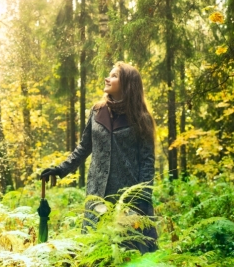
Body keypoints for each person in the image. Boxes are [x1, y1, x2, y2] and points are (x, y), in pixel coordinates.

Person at [40, 61, 158, 253]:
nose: (107, 78)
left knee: (127, 252)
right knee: (96, 250)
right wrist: (61, 169)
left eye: (114, 76)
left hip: (127, 197)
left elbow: (147, 162)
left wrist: (142, 198)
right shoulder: (96, 112)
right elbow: (84, 148)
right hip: (96, 194)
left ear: (127, 84)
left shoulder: (141, 117)